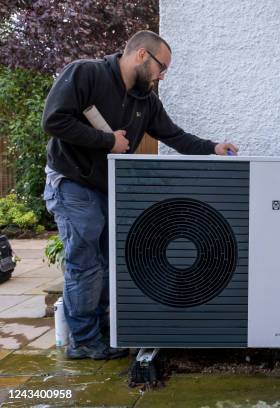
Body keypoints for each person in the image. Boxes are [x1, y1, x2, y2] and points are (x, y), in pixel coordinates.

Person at [41, 30, 238, 360]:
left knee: (105, 264)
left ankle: (100, 331)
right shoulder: (86, 73)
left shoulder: (144, 100)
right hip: (72, 181)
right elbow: (54, 120)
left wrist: (213, 148)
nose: (162, 76)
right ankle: (84, 341)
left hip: (105, 187)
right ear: (142, 55)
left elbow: (174, 136)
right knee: (86, 264)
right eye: (162, 67)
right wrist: (107, 142)